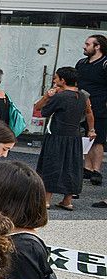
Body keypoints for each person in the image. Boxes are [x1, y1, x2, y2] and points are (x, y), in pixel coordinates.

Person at [34, 66, 92, 211]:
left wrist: (47, 96)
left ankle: (47, 200)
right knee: (72, 166)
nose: (54, 80)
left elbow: (42, 111)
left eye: (56, 77)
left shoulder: (60, 96)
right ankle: (67, 200)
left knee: (52, 164)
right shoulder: (83, 96)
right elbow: (89, 112)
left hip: (57, 136)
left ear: (63, 80)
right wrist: (92, 129)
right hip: (74, 136)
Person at [77, 34, 107, 186]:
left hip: (99, 106)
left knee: (98, 139)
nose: (84, 46)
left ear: (97, 47)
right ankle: (86, 167)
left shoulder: (105, 64)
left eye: (87, 44)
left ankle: (97, 170)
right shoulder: (82, 63)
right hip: (82, 105)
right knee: (85, 136)